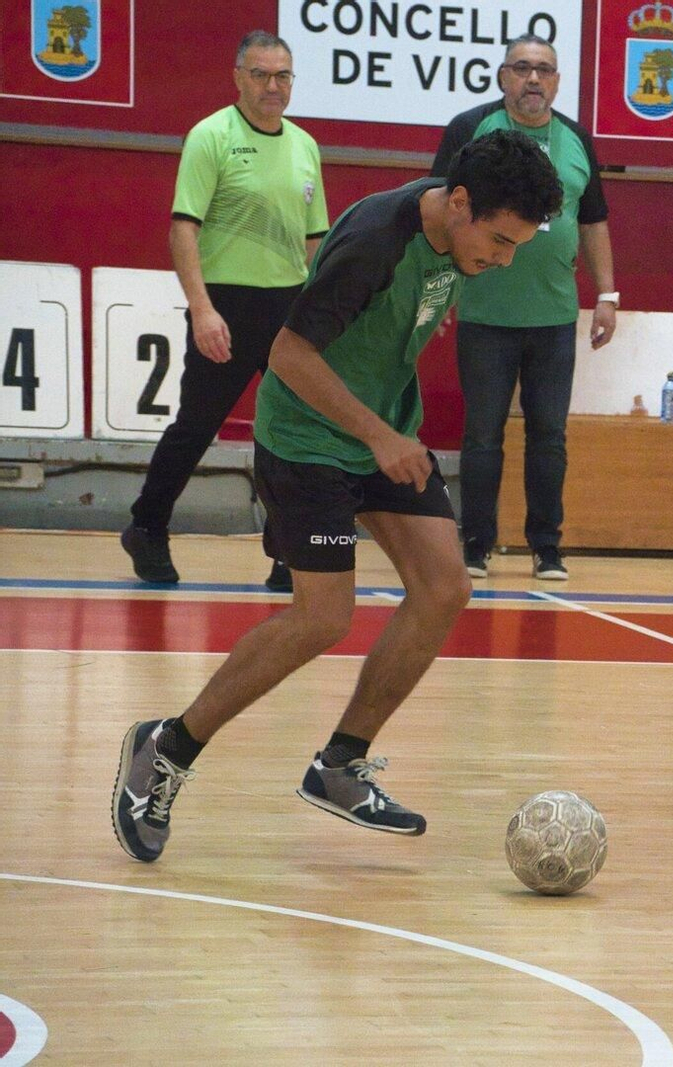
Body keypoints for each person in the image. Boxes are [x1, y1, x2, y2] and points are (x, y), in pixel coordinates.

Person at [112, 131, 564, 862]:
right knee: (322, 617)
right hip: (309, 441)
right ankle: (166, 747)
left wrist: (387, 428)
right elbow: (288, 357)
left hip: (380, 432)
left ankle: (339, 765)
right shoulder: (375, 242)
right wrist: (380, 436)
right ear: (460, 203)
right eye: (501, 240)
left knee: (445, 587)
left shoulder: (452, 235)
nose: (505, 258)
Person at [121, 30, 328, 592]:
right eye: (260, 74)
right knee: (197, 426)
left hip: (290, 309)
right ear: (238, 77)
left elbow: (315, 240)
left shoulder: (306, 145)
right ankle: (146, 526)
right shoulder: (210, 136)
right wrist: (203, 310)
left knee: (294, 433)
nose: (272, 85)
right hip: (225, 305)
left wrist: (321, 316)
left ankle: (287, 550)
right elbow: (182, 227)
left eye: (282, 75)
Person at [432, 34, 617, 583]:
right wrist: (438, 286)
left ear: (558, 82)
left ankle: (547, 547)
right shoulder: (471, 129)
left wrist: (607, 295)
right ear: (502, 76)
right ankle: (476, 545)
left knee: (549, 435)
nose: (533, 79)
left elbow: (593, 220)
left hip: (555, 319)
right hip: (485, 315)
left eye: (544, 70)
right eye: (522, 68)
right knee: (482, 434)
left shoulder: (577, 139)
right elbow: (438, 206)